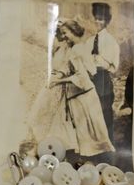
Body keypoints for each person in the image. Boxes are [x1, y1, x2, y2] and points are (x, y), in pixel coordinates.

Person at [49, 20, 115, 157]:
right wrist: (60, 74)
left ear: (73, 32)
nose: (64, 36)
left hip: (83, 95)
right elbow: (68, 67)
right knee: (88, 133)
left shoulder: (78, 50)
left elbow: (82, 78)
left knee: (92, 132)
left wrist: (59, 81)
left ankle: (98, 162)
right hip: (78, 95)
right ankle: (90, 159)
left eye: (65, 33)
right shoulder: (76, 48)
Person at [85, 3, 120, 143]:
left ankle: (107, 147)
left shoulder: (111, 42)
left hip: (103, 81)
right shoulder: (89, 41)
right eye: (96, 18)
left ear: (107, 21)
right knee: (90, 114)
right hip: (89, 80)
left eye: (101, 19)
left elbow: (113, 67)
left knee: (104, 114)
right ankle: (92, 145)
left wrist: (98, 60)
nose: (98, 22)